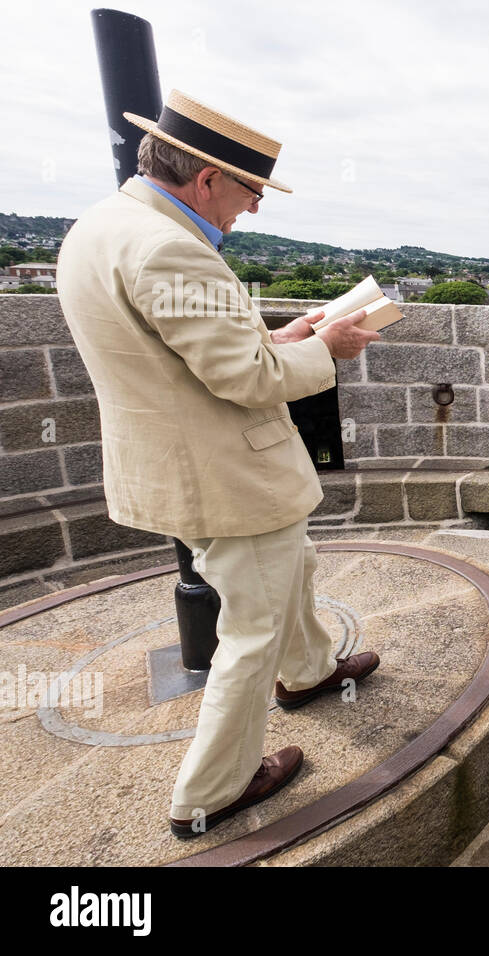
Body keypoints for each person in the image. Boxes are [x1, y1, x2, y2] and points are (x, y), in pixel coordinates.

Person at [57, 90, 382, 839]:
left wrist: (282, 332)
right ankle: (211, 791)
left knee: (286, 568)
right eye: (250, 190)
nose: (255, 208)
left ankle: (309, 673)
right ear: (206, 180)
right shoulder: (170, 247)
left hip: (173, 467)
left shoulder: (100, 227)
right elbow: (245, 381)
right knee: (250, 627)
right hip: (226, 475)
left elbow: (183, 354)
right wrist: (322, 352)